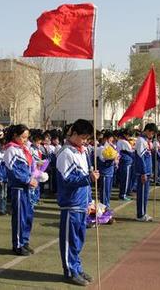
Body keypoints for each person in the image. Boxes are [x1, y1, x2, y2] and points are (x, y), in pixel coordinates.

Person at [56, 119, 99, 286]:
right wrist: (87, 178)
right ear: (73, 134)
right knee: (70, 240)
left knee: (79, 239)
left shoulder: (83, 152)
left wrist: (89, 201)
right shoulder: (65, 153)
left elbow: (86, 178)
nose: (85, 141)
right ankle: (69, 271)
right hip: (71, 203)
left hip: (81, 203)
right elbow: (67, 179)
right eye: (83, 137)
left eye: (87, 138)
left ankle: (76, 267)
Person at [3, 124, 37, 256]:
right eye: (22, 137)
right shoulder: (11, 150)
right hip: (18, 188)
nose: (25, 140)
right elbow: (13, 171)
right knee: (19, 217)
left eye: (27, 137)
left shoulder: (24, 149)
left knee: (28, 216)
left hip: (27, 187)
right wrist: (28, 179)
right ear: (15, 136)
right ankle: (17, 244)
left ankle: (24, 241)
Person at [135, 123, 158, 222]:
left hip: (147, 171)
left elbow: (148, 157)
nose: (152, 135)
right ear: (147, 130)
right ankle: (140, 214)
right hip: (142, 172)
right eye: (152, 133)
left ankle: (143, 212)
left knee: (145, 194)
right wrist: (143, 172)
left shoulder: (147, 141)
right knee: (142, 194)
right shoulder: (141, 141)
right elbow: (141, 158)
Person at [97, 131, 117, 209]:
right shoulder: (101, 148)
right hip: (105, 172)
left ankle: (106, 206)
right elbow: (103, 159)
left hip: (110, 172)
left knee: (108, 192)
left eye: (112, 141)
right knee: (104, 192)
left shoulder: (110, 147)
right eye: (110, 140)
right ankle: (104, 207)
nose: (110, 142)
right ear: (105, 139)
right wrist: (112, 158)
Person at [116, 130, 134, 201]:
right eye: (128, 135)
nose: (129, 137)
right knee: (125, 179)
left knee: (124, 179)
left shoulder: (120, 141)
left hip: (124, 161)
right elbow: (130, 150)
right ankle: (123, 194)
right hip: (126, 162)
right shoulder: (124, 142)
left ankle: (123, 193)